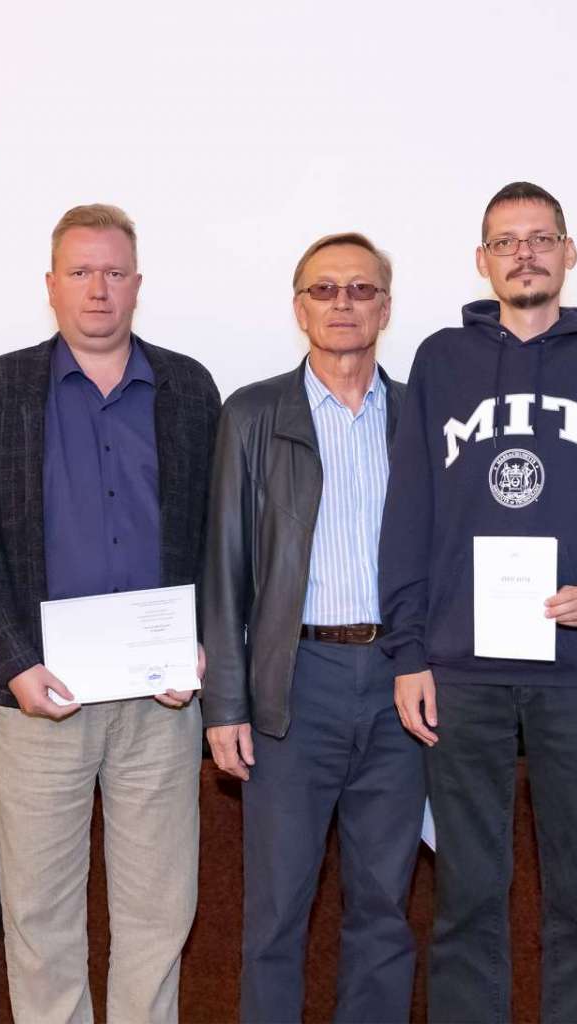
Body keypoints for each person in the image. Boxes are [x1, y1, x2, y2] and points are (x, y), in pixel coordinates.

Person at [379, 181, 577, 1022]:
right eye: (506, 242)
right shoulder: (441, 361)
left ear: (569, 252)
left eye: (541, 239)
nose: (525, 255)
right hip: (461, 672)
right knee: (468, 893)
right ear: (483, 261)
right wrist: (408, 653)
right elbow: (409, 516)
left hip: (576, 671)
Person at [0, 204, 222, 1023]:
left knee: (159, 912)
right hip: (40, 699)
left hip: (159, 701)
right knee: (39, 916)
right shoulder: (4, 387)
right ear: (51, 286)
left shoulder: (189, 388)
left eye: (113, 272)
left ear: (137, 284)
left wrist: (203, 645)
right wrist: (13, 665)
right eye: (80, 272)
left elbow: (221, 535)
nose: (97, 288)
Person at [202, 232, 422, 1022]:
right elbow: (224, 567)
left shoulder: (421, 416)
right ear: (299, 309)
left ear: (386, 308)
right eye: (324, 290)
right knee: (275, 915)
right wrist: (226, 703)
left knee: (384, 910)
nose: (342, 304)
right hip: (293, 687)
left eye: (361, 289)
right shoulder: (253, 414)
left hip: (399, 686)